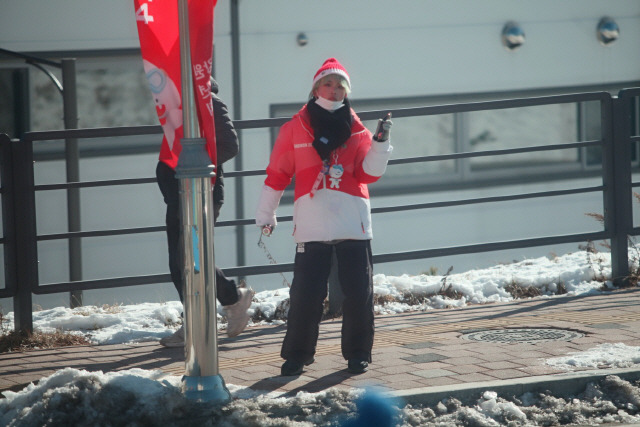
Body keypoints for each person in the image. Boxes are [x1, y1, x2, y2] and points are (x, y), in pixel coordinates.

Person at [255, 58, 393, 376]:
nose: (334, 89)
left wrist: (381, 144)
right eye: (328, 83)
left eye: (340, 85)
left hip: (353, 220)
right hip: (312, 220)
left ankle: (359, 353)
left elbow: (369, 175)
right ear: (316, 88)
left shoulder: (358, 130)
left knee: (359, 292)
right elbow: (277, 174)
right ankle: (297, 355)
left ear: (346, 92)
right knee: (306, 293)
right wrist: (266, 213)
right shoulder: (295, 128)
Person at [157, 77, 253, 347]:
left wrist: (195, 166)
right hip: (177, 194)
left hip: (201, 192)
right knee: (180, 261)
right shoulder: (176, 106)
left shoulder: (209, 102)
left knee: (191, 256)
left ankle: (223, 305)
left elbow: (229, 145)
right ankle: (211, 310)